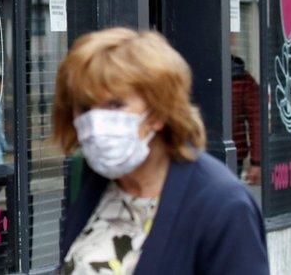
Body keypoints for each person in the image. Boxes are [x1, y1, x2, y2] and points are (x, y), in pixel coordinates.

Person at [53, 28, 268, 275]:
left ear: (158, 111)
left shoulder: (223, 204)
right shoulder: (96, 183)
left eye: (115, 104)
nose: (96, 120)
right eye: (85, 107)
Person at [231, 55, 262, 185]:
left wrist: (256, 162)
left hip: (233, 154)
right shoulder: (242, 78)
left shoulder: (242, 79)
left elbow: (257, 121)